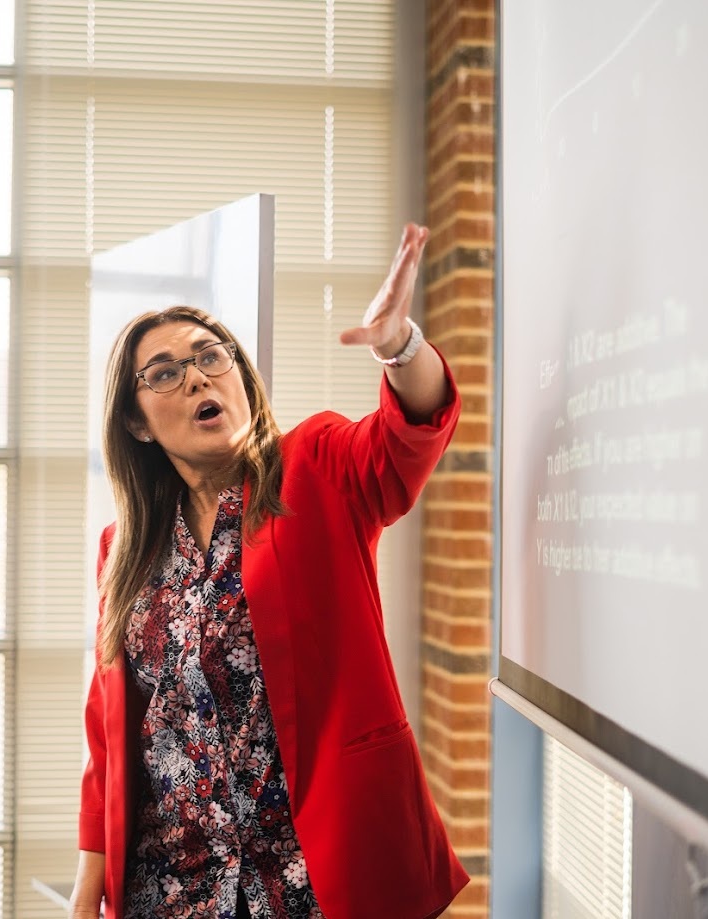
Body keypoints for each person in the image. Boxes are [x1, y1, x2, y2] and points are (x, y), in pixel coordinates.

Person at [70, 224, 470, 919]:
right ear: (136, 421)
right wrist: (83, 900)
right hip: (170, 892)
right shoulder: (122, 548)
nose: (196, 374)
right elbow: (110, 746)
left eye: (210, 356)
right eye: (164, 371)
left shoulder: (315, 469)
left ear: (239, 377)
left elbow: (412, 428)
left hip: (316, 881)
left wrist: (399, 345)